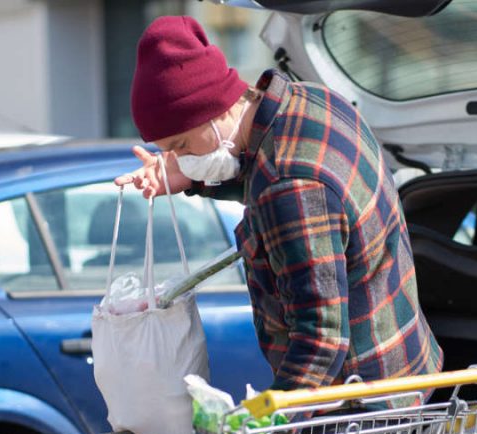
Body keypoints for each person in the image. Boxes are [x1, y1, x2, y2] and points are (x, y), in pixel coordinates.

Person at [115, 15, 442, 402]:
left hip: (362, 405)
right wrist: (195, 177)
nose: (178, 158)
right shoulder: (310, 101)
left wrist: (269, 423)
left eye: (182, 145)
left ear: (216, 108)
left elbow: (321, 340)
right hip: (405, 365)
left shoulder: (290, 186)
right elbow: (268, 174)